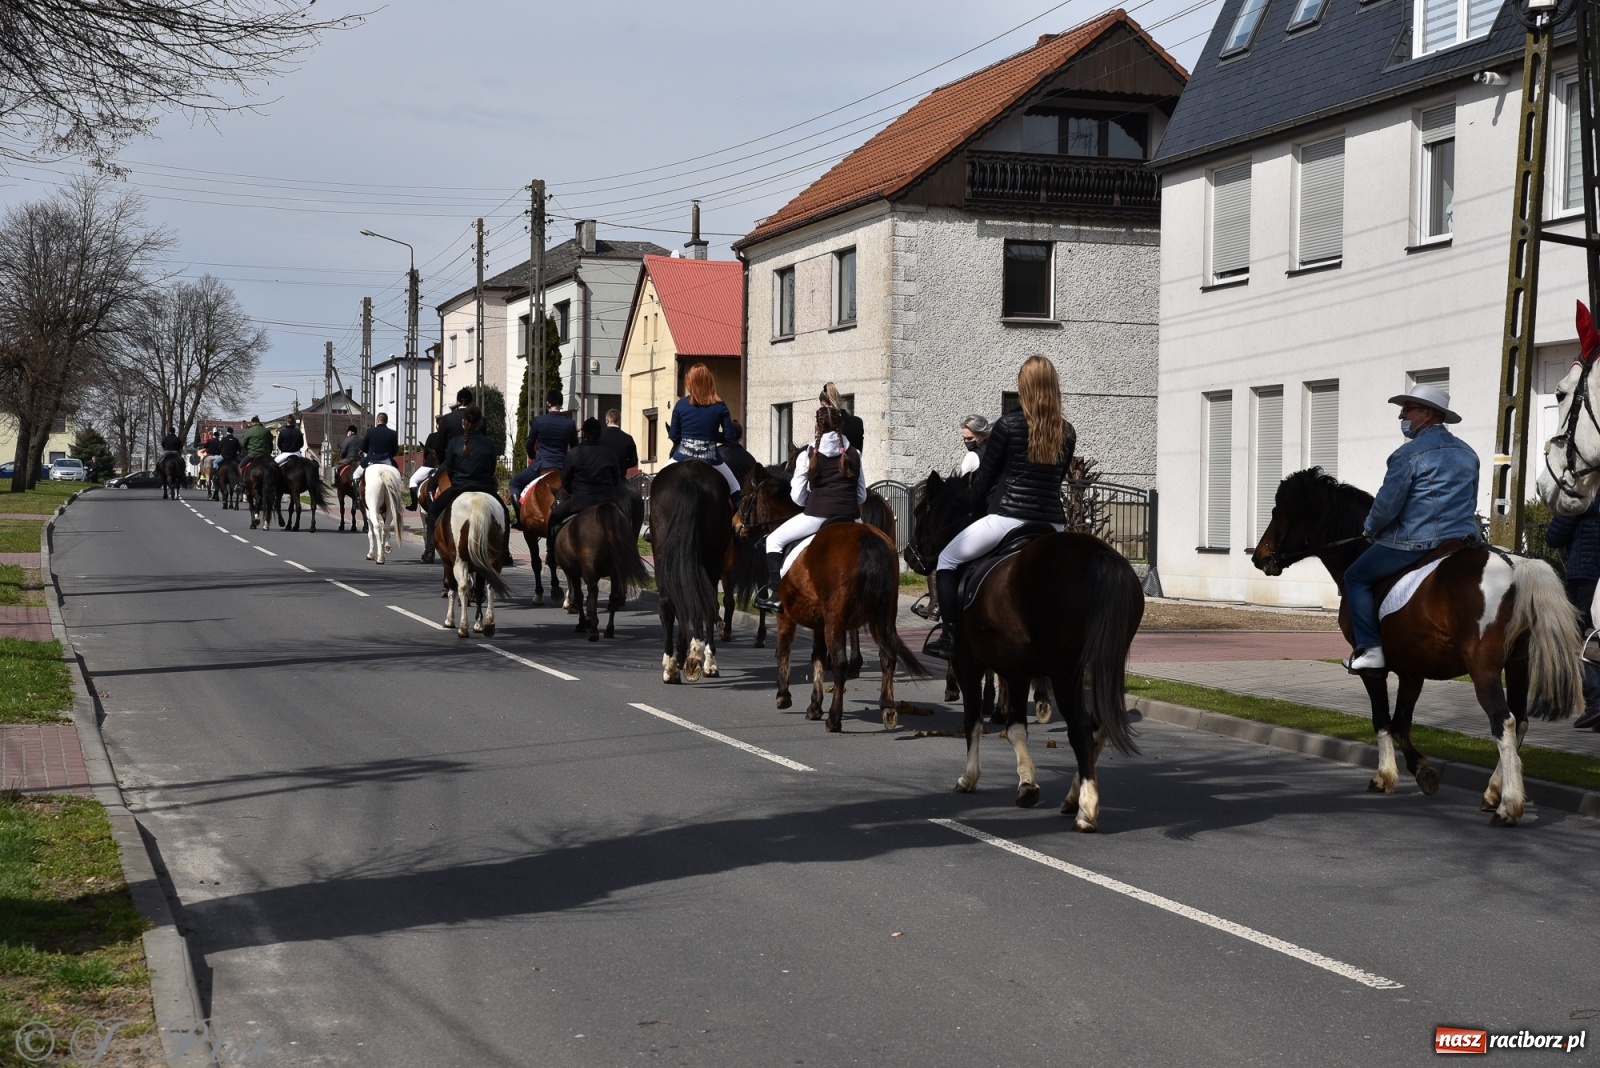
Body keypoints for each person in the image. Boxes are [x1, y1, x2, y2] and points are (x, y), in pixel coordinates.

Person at [923, 356, 1075, 661]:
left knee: (947, 560)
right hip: (1053, 525)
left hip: (1007, 518)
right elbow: (1057, 481)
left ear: (1023, 386)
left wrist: (974, 508)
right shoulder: (1067, 431)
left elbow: (983, 482)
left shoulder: (1007, 424)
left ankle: (950, 636)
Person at [1341, 383, 1481, 673]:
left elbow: (1387, 505)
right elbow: (1471, 499)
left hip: (1417, 542)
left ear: (1427, 414)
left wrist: (1370, 528)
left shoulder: (1407, 455)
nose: (1401, 416)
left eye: (1407, 410)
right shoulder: (1468, 453)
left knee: (1354, 576)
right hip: (1465, 541)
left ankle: (1370, 650)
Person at [752, 404, 867, 612]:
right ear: (840, 425)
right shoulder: (854, 453)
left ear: (817, 426)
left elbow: (797, 496)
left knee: (773, 540)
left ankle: (776, 595)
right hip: (852, 518)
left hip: (817, 516)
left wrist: (813, 502)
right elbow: (861, 495)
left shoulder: (807, 454)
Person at [1538, 501, 1600, 729]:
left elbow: (1554, 537)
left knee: (1578, 637)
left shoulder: (1583, 491)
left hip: (1586, 572)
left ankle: (1595, 701)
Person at [429, 405, 510, 534]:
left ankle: (429, 546)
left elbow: (449, 468)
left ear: (464, 421)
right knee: (505, 514)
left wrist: (456, 481)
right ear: (480, 423)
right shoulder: (489, 443)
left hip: (459, 487)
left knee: (433, 511)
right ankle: (505, 547)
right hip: (485, 487)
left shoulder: (454, 442)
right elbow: (492, 468)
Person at [666, 362, 740, 502]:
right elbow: (730, 437)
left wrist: (688, 437)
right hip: (711, 459)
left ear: (689, 383)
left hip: (682, 456)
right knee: (735, 487)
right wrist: (711, 436)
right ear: (709, 381)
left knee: (658, 481)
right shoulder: (720, 406)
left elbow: (673, 435)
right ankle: (739, 516)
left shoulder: (681, 404)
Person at [510, 389, 579, 525]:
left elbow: (529, 444)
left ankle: (520, 520)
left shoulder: (539, 421)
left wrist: (533, 456)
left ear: (548, 403)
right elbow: (574, 448)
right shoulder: (570, 423)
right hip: (562, 467)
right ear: (561, 403)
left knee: (514, 484)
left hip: (541, 465)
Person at [548, 417, 622, 534]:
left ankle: (551, 545)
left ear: (584, 433)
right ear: (600, 434)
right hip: (606, 501)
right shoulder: (610, 452)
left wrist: (574, 492)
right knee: (625, 521)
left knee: (554, 517)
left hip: (580, 501)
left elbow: (565, 481)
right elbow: (616, 480)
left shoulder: (573, 453)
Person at [408, 416, 447, 511]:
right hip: (445, 466)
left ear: (437, 425)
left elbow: (425, 452)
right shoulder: (449, 437)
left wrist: (427, 460)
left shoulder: (432, 436)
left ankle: (414, 505)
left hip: (430, 465)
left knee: (413, 480)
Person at [354, 413, 400, 486]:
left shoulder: (370, 431)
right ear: (386, 421)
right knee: (397, 475)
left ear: (377, 420)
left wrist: (369, 452)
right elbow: (395, 450)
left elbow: (363, 447)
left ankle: (357, 492)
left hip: (371, 459)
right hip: (387, 460)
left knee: (356, 474)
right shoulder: (393, 433)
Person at [820, 382, 865, 456]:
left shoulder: (824, 423)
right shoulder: (857, 422)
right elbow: (859, 453)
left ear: (824, 405)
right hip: (853, 462)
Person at [601, 408, 640, 479]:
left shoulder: (599, 437)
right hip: (619, 477)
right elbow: (634, 461)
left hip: (602, 477)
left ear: (607, 420)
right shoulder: (628, 438)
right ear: (619, 421)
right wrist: (623, 465)